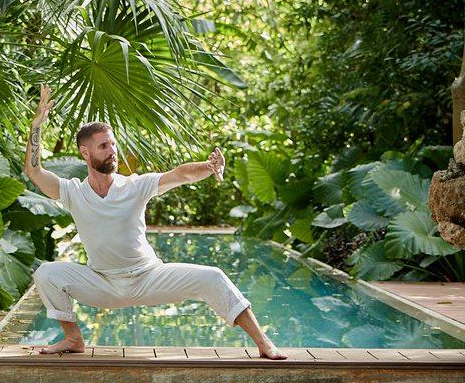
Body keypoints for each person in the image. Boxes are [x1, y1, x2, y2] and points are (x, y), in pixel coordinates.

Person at [24, 84, 288, 360]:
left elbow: (178, 175)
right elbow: (34, 170)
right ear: (85, 153)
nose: (112, 150)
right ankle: (73, 338)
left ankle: (263, 343)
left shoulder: (135, 186)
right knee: (46, 273)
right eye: (104, 146)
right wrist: (37, 125)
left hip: (148, 277)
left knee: (213, 276)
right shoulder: (73, 192)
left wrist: (207, 167)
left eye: (113, 144)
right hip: (102, 282)